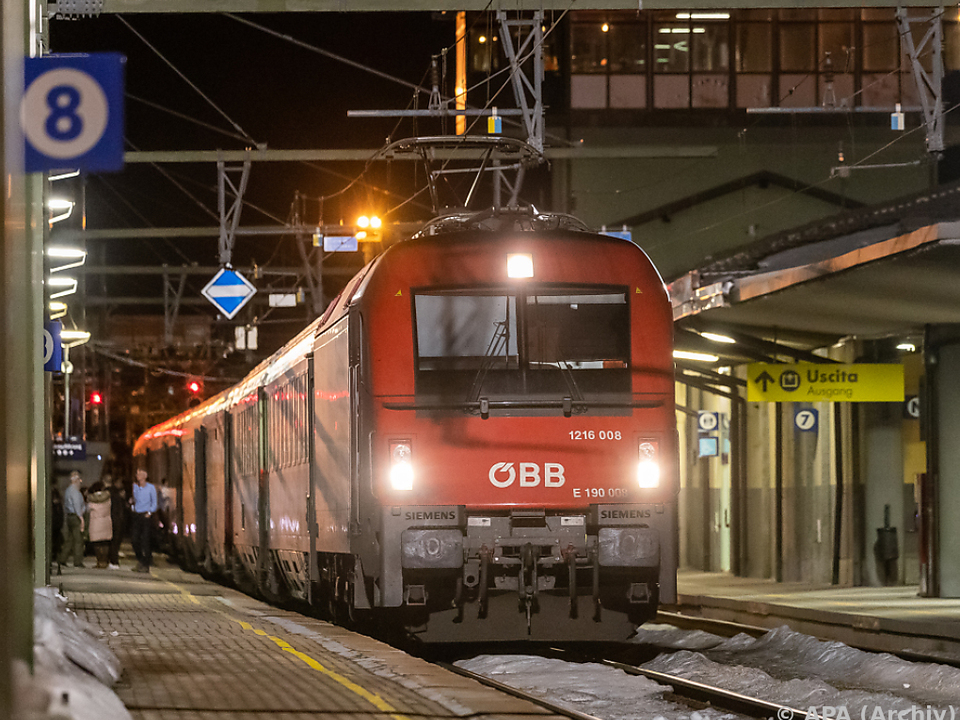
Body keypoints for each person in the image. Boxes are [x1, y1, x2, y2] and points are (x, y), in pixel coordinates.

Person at [130, 468, 158, 573]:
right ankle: (141, 559)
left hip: (145, 515)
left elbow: (154, 502)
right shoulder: (135, 487)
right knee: (135, 539)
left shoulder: (151, 488)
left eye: (139, 474)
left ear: (144, 476)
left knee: (145, 540)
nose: (137, 476)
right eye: (137, 474)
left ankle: (145, 564)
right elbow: (134, 499)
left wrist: (150, 512)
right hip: (137, 515)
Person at [58, 471, 86, 568]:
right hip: (75, 517)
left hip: (70, 516)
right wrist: (81, 518)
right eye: (79, 479)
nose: (80, 481)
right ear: (76, 480)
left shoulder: (68, 490)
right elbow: (77, 505)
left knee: (69, 539)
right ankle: (78, 561)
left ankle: (62, 558)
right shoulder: (75, 491)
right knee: (78, 540)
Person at [86, 481, 113, 569]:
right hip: (106, 522)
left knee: (97, 544)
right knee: (105, 543)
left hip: (95, 523)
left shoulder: (91, 499)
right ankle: (104, 562)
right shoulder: (108, 498)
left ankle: (99, 561)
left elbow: (88, 509)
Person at [107, 474, 128, 569]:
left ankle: (113, 559)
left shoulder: (118, 492)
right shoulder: (112, 491)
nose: (121, 484)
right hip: (114, 518)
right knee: (114, 540)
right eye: (119, 482)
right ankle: (113, 560)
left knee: (117, 540)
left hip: (119, 518)